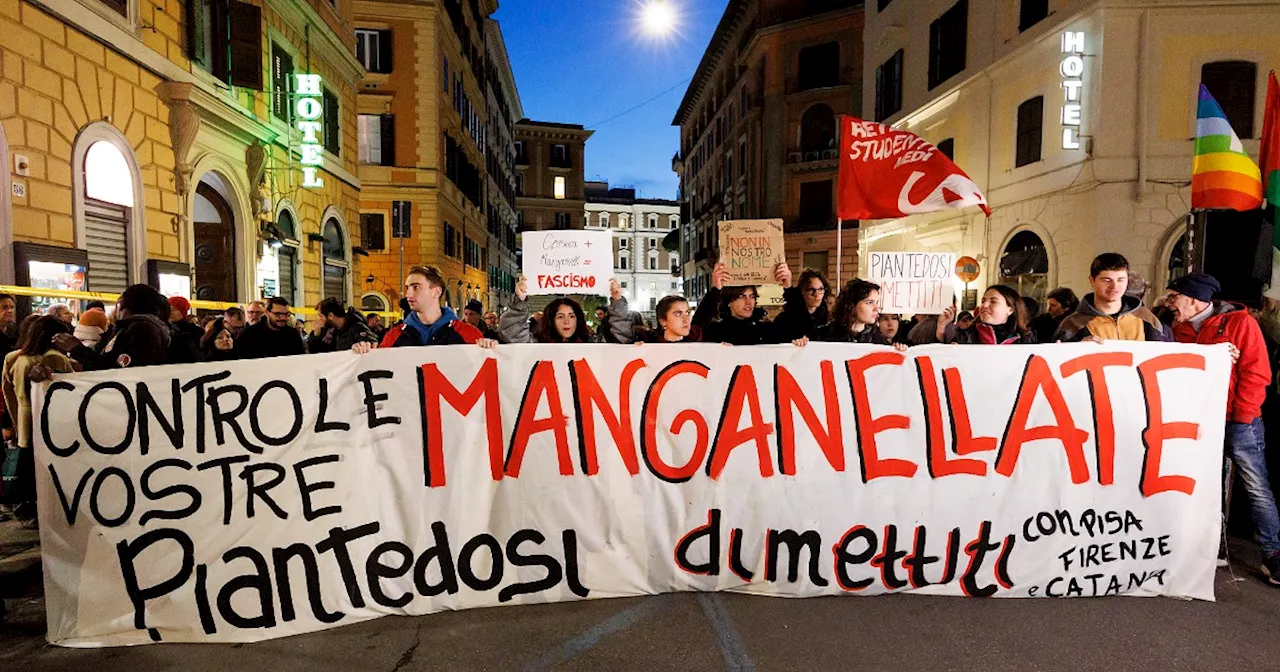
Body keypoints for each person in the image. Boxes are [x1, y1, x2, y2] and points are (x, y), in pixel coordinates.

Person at [1165, 272, 1280, 583]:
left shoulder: (1240, 324)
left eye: (1175, 296)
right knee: (1208, 486)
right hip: (1202, 422)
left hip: (1237, 421)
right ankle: (1210, 546)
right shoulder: (1180, 330)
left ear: (1193, 299)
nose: (1170, 303)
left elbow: (1256, 372)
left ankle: (1273, 552)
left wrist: (1242, 415)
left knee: (1255, 486)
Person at [2, 316, 75, 528]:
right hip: (50, 421)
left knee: (29, 467)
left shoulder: (13, 358)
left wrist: (15, 423)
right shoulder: (55, 358)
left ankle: (28, 509)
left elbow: (8, 393)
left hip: (23, 420)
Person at [52, 284, 171, 369]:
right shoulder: (128, 328)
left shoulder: (141, 330)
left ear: (122, 305)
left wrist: (77, 349)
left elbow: (118, 370)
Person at [1054, 253, 1167, 342]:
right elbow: (1055, 364)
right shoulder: (1073, 324)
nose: (1114, 286)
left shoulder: (1147, 318)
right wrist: (1077, 350)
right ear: (1092, 281)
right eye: (1107, 280)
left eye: (1121, 280)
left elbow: (1164, 358)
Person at [365, 267, 484, 350]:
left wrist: (490, 348)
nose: (408, 294)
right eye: (408, 288)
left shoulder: (469, 334)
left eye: (416, 287)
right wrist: (362, 353)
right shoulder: (393, 336)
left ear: (436, 292)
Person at [496, 275, 632, 345]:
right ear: (551, 321)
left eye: (571, 316)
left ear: (578, 320)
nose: (567, 322)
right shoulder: (537, 344)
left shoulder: (592, 344)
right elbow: (513, 336)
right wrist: (519, 301)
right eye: (560, 317)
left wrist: (618, 302)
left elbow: (620, 342)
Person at [692, 261, 788, 345]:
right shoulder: (716, 330)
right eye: (741, 297)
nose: (748, 302)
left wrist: (788, 287)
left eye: (752, 297)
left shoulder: (766, 330)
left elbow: (795, 326)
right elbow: (696, 329)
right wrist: (716, 289)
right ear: (729, 302)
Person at [800, 279, 907, 350]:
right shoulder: (821, 335)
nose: (876, 308)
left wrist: (898, 350)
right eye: (869, 303)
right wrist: (799, 346)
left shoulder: (879, 341)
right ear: (851, 305)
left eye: (877, 302)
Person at [937, 285, 1035, 345]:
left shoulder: (1024, 339)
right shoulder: (964, 336)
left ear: (1010, 310)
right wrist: (941, 327)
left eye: (993, 301)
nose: (984, 305)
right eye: (983, 301)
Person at [236, 296, 306, 359]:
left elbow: (300, 359)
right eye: (278, 314)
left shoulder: (293, 334)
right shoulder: (248, 334)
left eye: (286, 314)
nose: (283, 318)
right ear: (266, 313)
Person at [774, 267, 829, 341]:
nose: (817, 294)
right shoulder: (786, 318)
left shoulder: (826, 316)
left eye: (820, 289)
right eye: (811, 289)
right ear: (802, 291)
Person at [310, 298, 378, 352]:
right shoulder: (330, 332)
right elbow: (320, 355)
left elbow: (370, 343)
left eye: (321, 316)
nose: (319, 319)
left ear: (330, 315)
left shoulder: (357, 327)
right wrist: (316, 335)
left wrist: (363, 345)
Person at [166, 296, 205, 364]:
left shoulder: (196, 331)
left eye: (174, 309)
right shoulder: (164, 329)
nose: (171, 312)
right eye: (168, 309)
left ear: (183, 311)